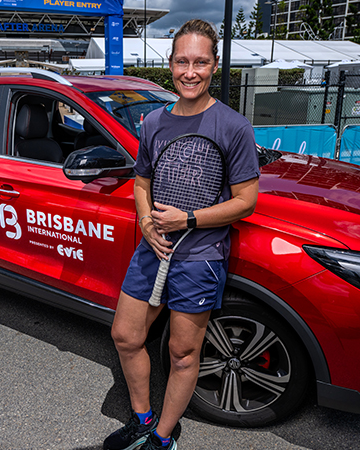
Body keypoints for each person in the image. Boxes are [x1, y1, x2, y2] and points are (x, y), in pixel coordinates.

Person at [103, 19, 260, 450]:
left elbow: (246, 201)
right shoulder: (153, 122)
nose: (190, 71)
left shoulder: (233, 126)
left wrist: (187, 219)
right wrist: (148, 225)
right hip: (153, 249)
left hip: (200, 257)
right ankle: (141, 419)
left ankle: (163, 438)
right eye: (181, 61)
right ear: (170, 65)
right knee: (126, 335)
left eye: (200, 62)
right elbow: (140, 183)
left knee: (182, 354)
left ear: (213, 66)